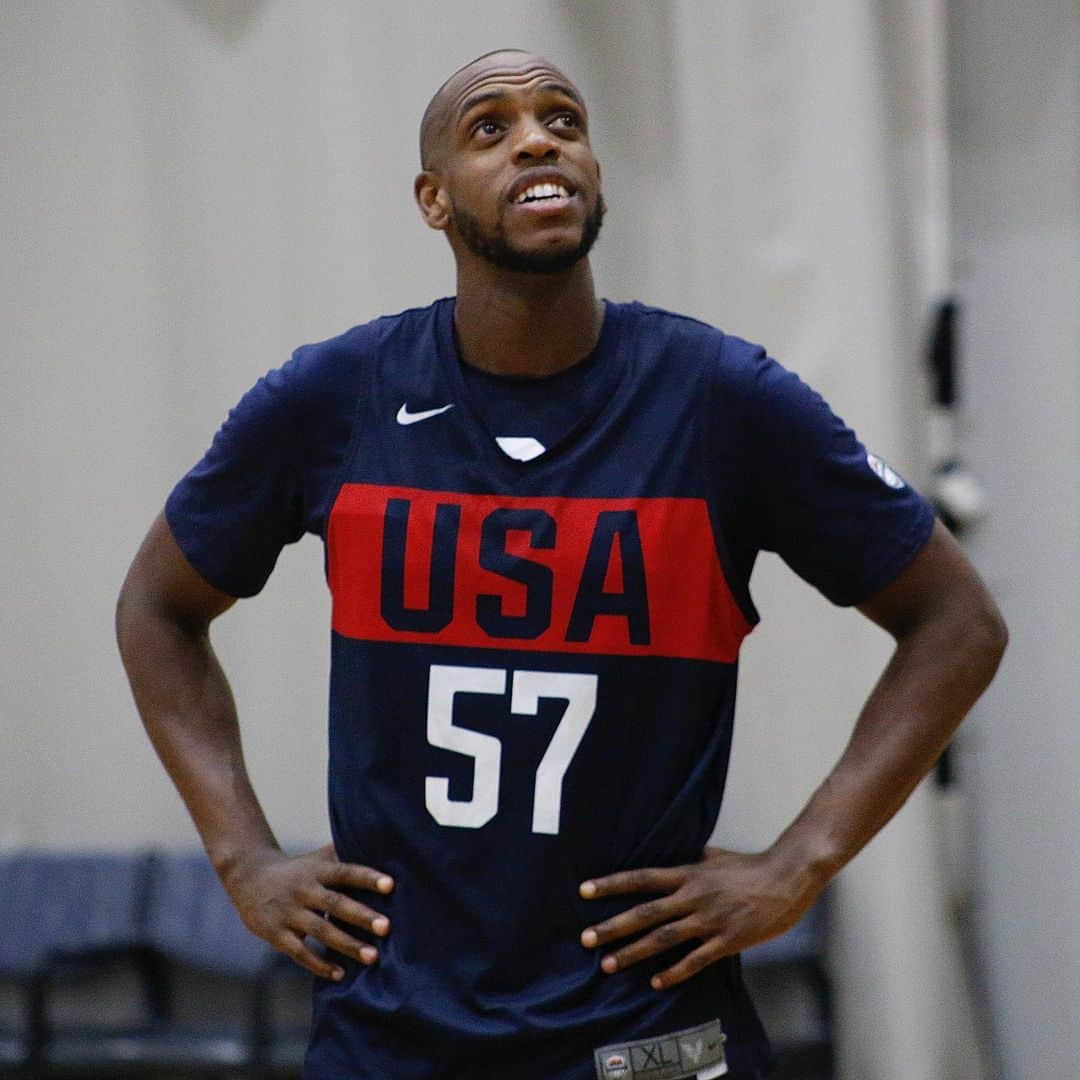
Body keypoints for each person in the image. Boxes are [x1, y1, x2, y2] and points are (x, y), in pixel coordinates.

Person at [116, 48, 1007, 1080]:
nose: (539, 139)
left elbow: (958, 622)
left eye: (564, 121)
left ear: (594, 175)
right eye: (490, 128)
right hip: (395, 1027)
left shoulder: (720, 397)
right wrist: (243, 858)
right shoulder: (336, 396)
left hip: (647, 1030)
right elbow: (157, 609)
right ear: (433, 201)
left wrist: (799, 861)